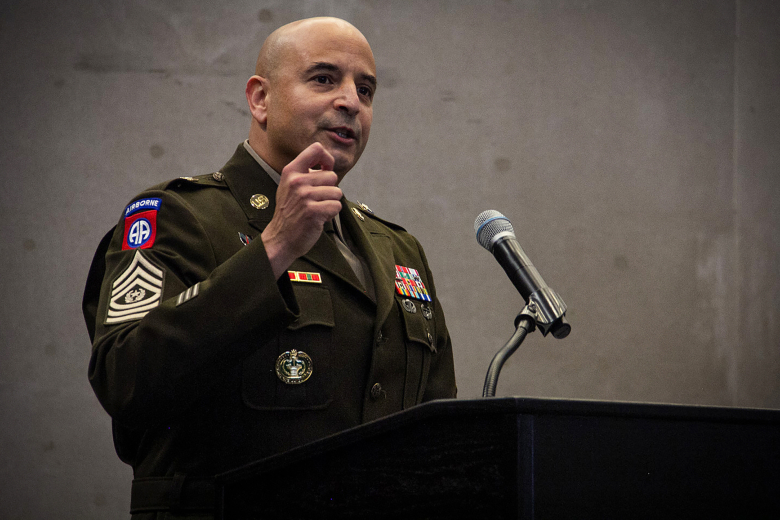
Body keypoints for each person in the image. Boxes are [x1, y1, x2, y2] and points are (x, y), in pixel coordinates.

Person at [83, 17, 456, 518]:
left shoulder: (398, 249)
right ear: (260, 99)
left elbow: (439, 430)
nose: (350, 101)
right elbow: (125, 380)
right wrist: (274, 247)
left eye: (365, 89)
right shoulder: (178, 216)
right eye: (324, 79)